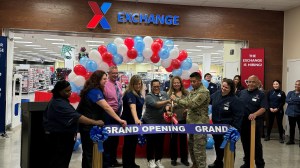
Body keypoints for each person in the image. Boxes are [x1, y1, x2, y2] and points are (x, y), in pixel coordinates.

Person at [43, 80, 104, 168]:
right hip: (59, 137)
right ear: (59, 91)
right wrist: (95, 122)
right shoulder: (59, 104)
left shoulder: (61, 100)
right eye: (67, 91)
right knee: (60, 161)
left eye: (70, 90)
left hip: (62, 135)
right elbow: (77, 117)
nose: (70, 93)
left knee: (62, 160)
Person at [76, 70, 127, 168]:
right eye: (104, 79)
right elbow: (106, 107)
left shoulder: (93, 89)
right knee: (89, 153)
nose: (106, 81)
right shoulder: (94, 91)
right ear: (97, 79)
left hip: (91, 125)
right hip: (89, 126)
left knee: (92, 153)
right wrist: (119, 120)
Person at [170, 72, 210, 168]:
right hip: (192, 124)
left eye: (194, 81)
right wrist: (173, 106)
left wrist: (176, 99)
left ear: (200, 80)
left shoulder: (203, 92)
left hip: (200, 125)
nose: (192, 83)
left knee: (199, 149)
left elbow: (191, 103)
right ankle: (195, 165)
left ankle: (201, 166)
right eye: (191, 81)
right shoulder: (193, 91)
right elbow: (188, 103)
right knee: (192, 147)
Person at [208, 78, 244, 168]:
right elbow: (208, 101)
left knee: (230, 147)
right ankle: (218, 162)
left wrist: (234, 128)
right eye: (223, 86)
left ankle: (230, 164)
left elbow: (239, 116)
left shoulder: (235, 100)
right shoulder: (216, 94)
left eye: (226, 87)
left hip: (229, 128)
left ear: (231, 89)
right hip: (216, 126)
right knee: (218, 145)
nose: (223, 88)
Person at [238, 75, 266, 168]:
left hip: (255, 123)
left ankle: (259, 164)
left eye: (253, 82)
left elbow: (263, 108)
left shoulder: (261, 94)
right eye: (249, 82)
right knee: (245, 143)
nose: (251, 84)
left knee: (256, 144)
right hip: (243, 122)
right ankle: (247, 162)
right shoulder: (241, 92)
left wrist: (255, 114)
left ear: (258, 83)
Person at [142, 79, 170, 168]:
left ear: (160, 85)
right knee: (151, 143)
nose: (156, 88)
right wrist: (167, 101)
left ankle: (158, 160)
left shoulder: (164, 94)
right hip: (149, 122)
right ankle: (150, 160)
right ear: (151, 86)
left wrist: (168, 110)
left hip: (161, 123)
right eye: (154, 86)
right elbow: (156, 104)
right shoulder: (149, 96)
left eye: (158, 86)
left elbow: (167, 106)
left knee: (160, 143)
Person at [121, 75, 144, 168]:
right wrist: (136, 119)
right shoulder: (130, 93)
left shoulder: (139, 93)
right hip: (129, 122)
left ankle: (131, 163)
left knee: (133, 143)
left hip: (135, 123)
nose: (138, 85)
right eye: (136, 84)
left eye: (139, 83)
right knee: (128, 144)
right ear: (132, 84)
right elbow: (132, 106)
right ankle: (127, 164)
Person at [166, 76, 189, 166]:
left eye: (178, 82)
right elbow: (167, 106)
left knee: (183, 140)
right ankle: (173, 159)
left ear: (181, 83)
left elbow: (189, 104)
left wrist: (187, 109)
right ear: (172, 84)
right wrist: (168, 109)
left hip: (184, 119)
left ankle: (184, 159)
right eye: (174, 83)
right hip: (173, 120)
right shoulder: (169, 93)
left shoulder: (186, 93)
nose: (176, 84)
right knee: (173, 140)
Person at [103, 66, 123, 167]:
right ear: (109, 74)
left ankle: (113, 160)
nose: (115, 75)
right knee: (107, 140)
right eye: (113, 73)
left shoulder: (118, 84)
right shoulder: (105, 85)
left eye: (116, 73)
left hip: (118, 114)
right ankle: (107, 162)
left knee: (115, 139)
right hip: (108, 115)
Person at [285, 80, 300, 146]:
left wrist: (292, 100)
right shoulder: (290, 93)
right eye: (296, 84)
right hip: (290, 113)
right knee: (292, 127)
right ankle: (291, 140)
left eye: (298, 84)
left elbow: (291, 100)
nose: (296, 85)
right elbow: (287, 100)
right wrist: (297, 100)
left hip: (299, 113)